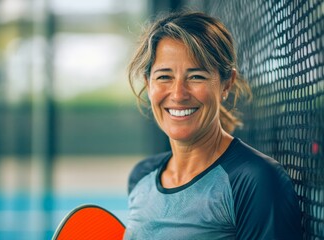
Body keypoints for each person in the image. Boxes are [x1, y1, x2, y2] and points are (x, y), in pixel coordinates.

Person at [124, 11, 303, 240]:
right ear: (148, 85)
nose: (178, 94)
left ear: (226, 84)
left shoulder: (256, 180)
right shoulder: (142, 175)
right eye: (164, 77)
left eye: (196, 76)